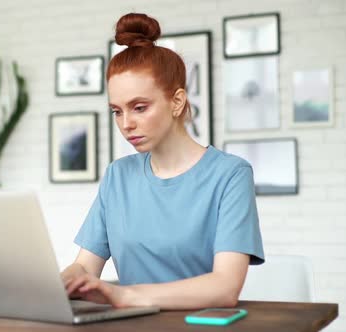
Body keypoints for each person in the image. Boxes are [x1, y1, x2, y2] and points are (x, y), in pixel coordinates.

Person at [61, 13, 264, 310]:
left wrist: (124, 295)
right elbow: (84, 267)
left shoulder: (230, 175)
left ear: (177, 102)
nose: (126, 123)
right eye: (116, 111)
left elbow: (225, 287)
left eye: (139, 107)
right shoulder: (118, 176)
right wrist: (59, 283)